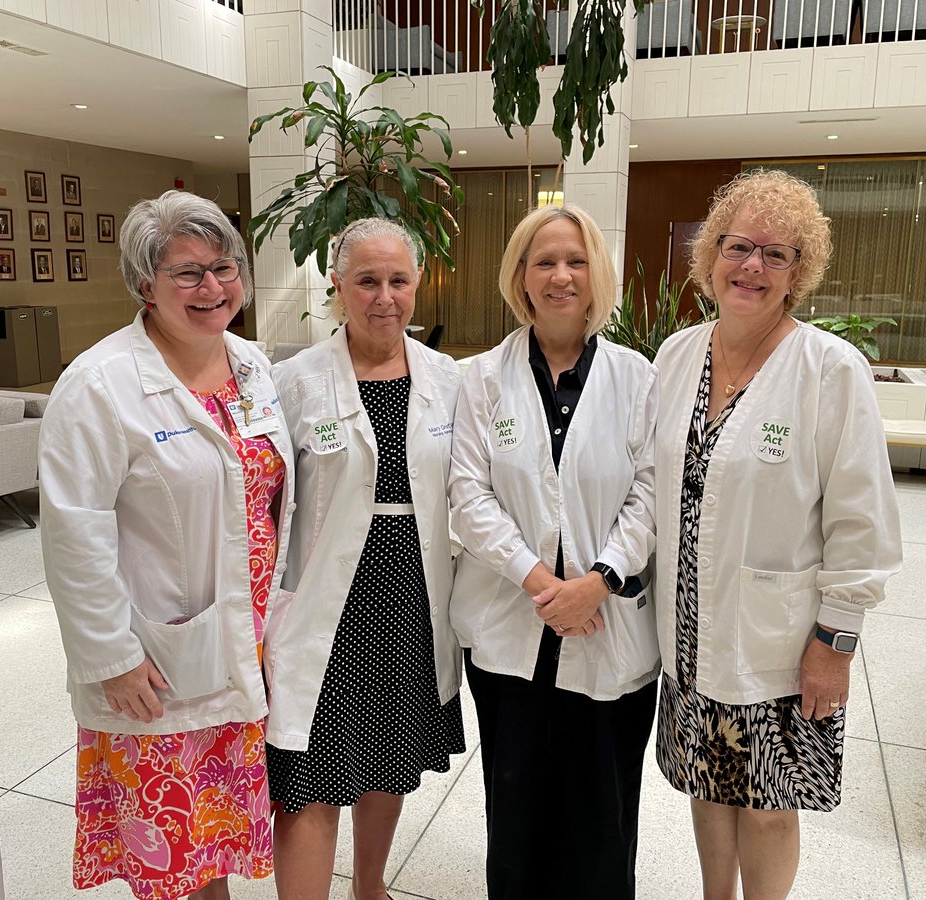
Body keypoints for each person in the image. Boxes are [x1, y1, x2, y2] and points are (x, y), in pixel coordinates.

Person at [652, 170, 902, 900]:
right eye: (738, 247)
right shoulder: (676, 357)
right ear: (711, 256)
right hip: (689, 630)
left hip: (782, 640)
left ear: (800, 273)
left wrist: (837, 641)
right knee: (707, 782)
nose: (752, 266)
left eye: (777, 254)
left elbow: (864, 520)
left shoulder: (830, 370)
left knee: (765, 805)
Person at [39, 190, 294, 900]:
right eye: (187, 272)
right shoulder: (98, 386)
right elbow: (72, 534)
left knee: (212, 839)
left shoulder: (251, 365)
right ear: (144, 285)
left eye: (224, 267)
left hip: (247, 642)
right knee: (173, 853)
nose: (211, 287)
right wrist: (112, 658)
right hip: (155, 662)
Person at [449, 204, 660, 900]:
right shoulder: (480, 377)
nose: (561, 275)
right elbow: (469, 497)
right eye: (544, 261)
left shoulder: (637, 377)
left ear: (597, 273)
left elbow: (650, 493)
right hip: (511, 631)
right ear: (521, 277)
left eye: (575, 261)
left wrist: (596, 582)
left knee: (601, 814)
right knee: (514, 808)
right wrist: (544, 584)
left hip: (608, 628)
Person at [266, 218, 465, 900]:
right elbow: (262, 503)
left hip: (412, 597)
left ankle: (370, 886)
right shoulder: (293, 380)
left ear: (419, 285)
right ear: (338, 287)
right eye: (368, 281)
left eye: (399, 280)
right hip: (326, 602)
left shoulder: (448, 378)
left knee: (387, 756)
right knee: (312, 772)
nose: (385, 296)